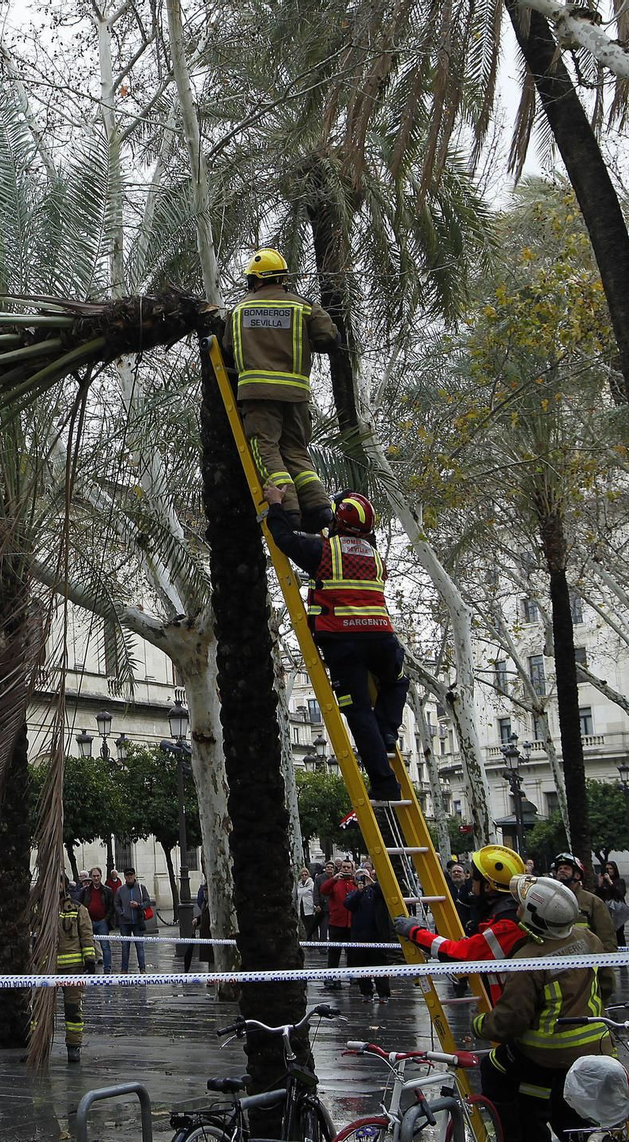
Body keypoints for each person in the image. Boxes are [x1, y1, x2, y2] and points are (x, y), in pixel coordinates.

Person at [264, 487, 409, 802]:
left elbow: (284, 540)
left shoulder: (325, 552)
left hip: (343, 642)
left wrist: (276, 505)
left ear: (338, 521)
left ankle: (385, 783)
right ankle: (387, 729)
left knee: (358, 711)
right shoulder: (375, 558)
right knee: (397, 681)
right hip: (381, 639)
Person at [470, 875, 612, 1142]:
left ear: (535, 918)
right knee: (561, 1107)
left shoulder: (527, 960)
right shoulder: (589, 938)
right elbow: (606, 983)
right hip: (597, 1044)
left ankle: (515, 1135)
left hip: (547, 1054)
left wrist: (480, 1023)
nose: (517, 909)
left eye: (521, 905)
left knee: (493, 1067)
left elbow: (512, 1020)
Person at [218, 247, 339, 531]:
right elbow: (329, 338)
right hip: (296, 396)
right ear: (282, 278)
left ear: (255, 280)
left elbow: (227, 348)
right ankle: (320, 506)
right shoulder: (302, 306)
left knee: (266, 449)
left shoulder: (239, 310)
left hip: (258, 395)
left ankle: (289, 508)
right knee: (296, 450)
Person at [393, 845, 533, 1005]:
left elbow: (458, 954)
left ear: (487, 886)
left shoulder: (508, 924)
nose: (471, 885)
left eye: (473, 880)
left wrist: (413, 932)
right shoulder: (512, 915)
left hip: (510, 1008)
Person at [46, 875, 100, 1064]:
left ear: (64, 885)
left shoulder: (77, 909)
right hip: (47, 969)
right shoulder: (41, 910)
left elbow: (86, 935)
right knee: (42, 1011)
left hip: (73, 969)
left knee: (73, 1010)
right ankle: (40, 1046)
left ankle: (74, 1047)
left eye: (58, 883)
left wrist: (90, 959)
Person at [550, 853, 617, 997]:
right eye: (559, 868)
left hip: (586, 971)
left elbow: (607, 940)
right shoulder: (549, 901)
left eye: (567, 868)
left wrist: (604, 975)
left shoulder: (593, 902)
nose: (561, 871)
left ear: (578, 875)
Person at [346, 868, 393, 1001]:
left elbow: (386, 894)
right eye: (359, 878)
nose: (362, 880)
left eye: (364, 877)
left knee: (380, 965)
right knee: (362, 966)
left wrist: (372, 883)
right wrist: (360, 891)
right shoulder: (354, 893)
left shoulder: (377, 892)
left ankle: (383, 993)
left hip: (378, 935)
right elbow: (349, 904)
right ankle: (366, 993)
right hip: (359, 936)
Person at [319, 860, 355, 989]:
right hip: (336, 923)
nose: (346, 869)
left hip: (351, 924)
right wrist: (334, 879)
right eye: (343, 867)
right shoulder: (335, 882)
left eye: (348, 867)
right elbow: (323, 890)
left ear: (352, 869)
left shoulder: (355, 883)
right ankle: (331, 977)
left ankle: (353, 976)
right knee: (334, 953)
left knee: (352, 952)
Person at [77, 867, 117, 972]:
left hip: (102, 921)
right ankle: (89, 968)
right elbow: (80, 905)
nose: (96, 878)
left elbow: (111, 907)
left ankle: (107, 969)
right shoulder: (85, 891)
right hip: (88, 922)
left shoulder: (107, 890)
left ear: (101, 876)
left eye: (97, 876)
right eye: (94, 876)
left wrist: (106, 919)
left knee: (105, 946)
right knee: (87, 946)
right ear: (91, 877)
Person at [113, 868, 153, 972]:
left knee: (140, 946)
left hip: (138, 921)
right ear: (125, 876)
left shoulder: (141, 888)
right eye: (127, 875)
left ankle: (142, 969)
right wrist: (122, 913)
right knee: (125, 947)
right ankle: (124, 970)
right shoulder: (120, 890)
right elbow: (116, 904)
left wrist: (139, 906)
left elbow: (148, 901)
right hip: (124, 922)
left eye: (131, 875)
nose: (129, 877)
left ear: (134, 875)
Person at [594, 862, 627, 946]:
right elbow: (597, 896)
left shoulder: (620, 881)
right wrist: (600, 885)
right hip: (605, 911)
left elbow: (620, 894)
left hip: (617, 912)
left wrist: (610, 881)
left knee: (619, 934)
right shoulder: (602, 883)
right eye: (607, 869)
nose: (609, 871)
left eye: (611, 869)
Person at [449, 861, 475, 929]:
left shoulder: (473, 888)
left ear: (466, 875)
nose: (456, 873)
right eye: (454, 872)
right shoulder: (446, 890)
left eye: (459, 871)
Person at [297, 869, 320, 942]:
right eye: (302, 875)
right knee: (306, 926)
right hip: (302, 907)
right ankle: (309, 940)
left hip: (310, 907)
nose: (304, 876)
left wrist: (315, 905)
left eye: (305, 875)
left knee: (313, 925)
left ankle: (316, 940)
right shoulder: (298, 884)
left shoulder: (312, 884)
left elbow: (315, 894)